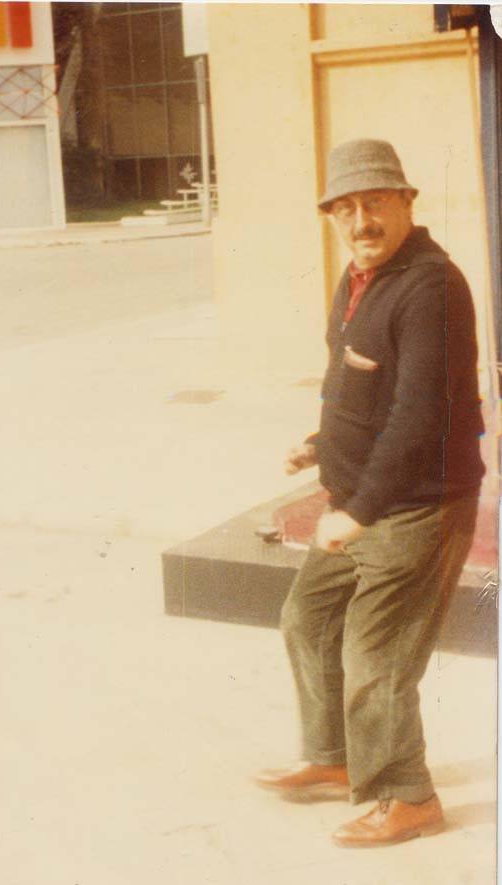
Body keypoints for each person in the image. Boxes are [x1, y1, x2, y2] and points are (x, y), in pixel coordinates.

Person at [257, 139, 485, 847]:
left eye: (376, 203)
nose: (362, 221)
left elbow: (418, 415)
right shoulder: (361, 277)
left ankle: (408, 796)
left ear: (407, 203)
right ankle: (335, 757)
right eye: (346, 208)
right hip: (361, 497)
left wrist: (355, 512)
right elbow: (356, 387)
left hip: (417, 504)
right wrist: (321, 444)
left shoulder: (431, 287)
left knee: (375, 654)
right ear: (331, 216)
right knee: (308, 620)